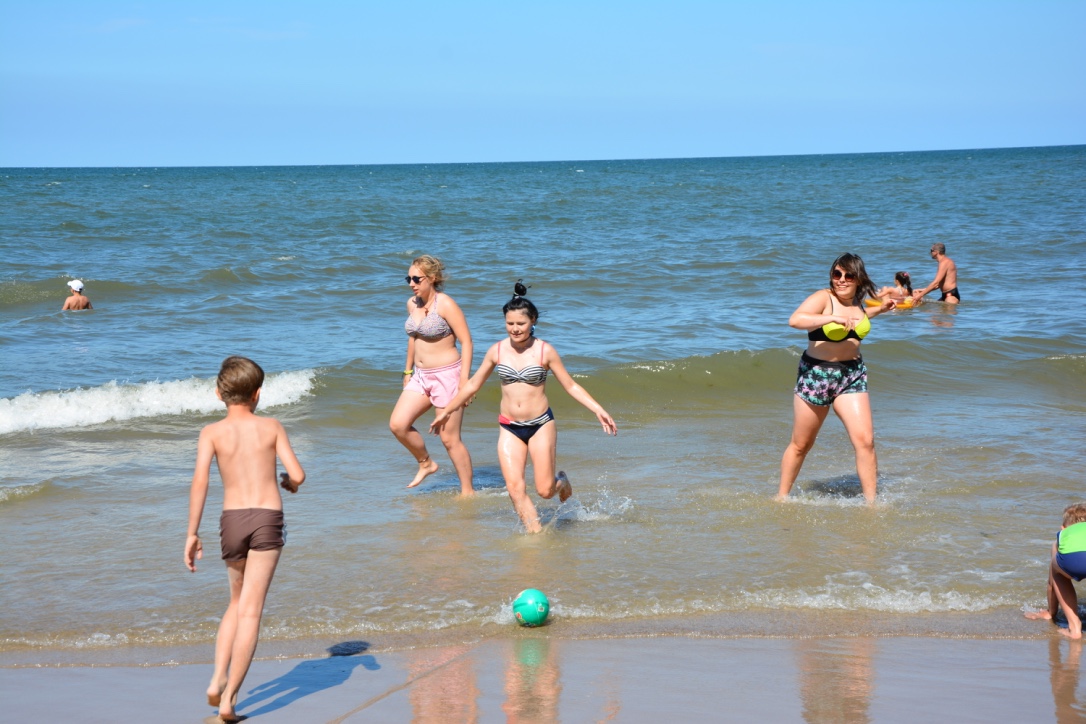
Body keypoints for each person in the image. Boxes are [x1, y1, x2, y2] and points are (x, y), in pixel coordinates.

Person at [430, 282, 617, 533]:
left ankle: (562, 482)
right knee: (515, 489)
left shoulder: (545, 351)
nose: (515, 329)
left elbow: (571, 386)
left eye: (521, 323)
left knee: (545, 491)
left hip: (540, 425)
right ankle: (535, 536)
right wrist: (446, 411)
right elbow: (473, 384)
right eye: (510, 323)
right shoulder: (497, 351)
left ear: (533, 321)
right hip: (509, 427)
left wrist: (598, 409)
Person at [184, 356, 306, 721]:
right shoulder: (271, 426)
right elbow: (298, 474)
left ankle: (216, 678)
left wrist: (192, 533)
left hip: (232, 521)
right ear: (257, 394)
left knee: (235, 603)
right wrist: (289, 483)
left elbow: (200, 482)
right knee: (251, 611)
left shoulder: (211, 432)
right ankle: (229, 701)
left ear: (218, 394)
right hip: (267, 519)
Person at [778, 253, 895, 504]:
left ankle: (872, 506)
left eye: (848, 275)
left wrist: (880, 309)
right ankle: (781, 497)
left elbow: (858, 318)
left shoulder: (858, 302)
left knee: (865, 441)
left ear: (858, 278)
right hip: (816, 374)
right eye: (836, 274)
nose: (841, 280)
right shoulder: (824, 298)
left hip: (852, 374)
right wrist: (830, 317)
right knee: (801, 445)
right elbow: (795, 320)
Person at [390, 255, 475, 494]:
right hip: (420, 376)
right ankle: (426, 463)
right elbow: (413, 338)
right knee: (398, 425)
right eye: (408, 278)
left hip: (447, 376)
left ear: (432, 278)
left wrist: (464, 381)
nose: (411, 283)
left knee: (449, 439)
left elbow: (467, 342)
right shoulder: (412, 304)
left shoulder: (445, 304)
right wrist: (408, 370)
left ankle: (468, 492)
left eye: (416, 279)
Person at [1025, 503, 1086, 639]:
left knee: (1056, 569)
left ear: (1063, 528)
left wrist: (1051, 612)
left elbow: (1051, 585)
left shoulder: (1063, 535)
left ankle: (1075, 628)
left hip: (1073, 561)